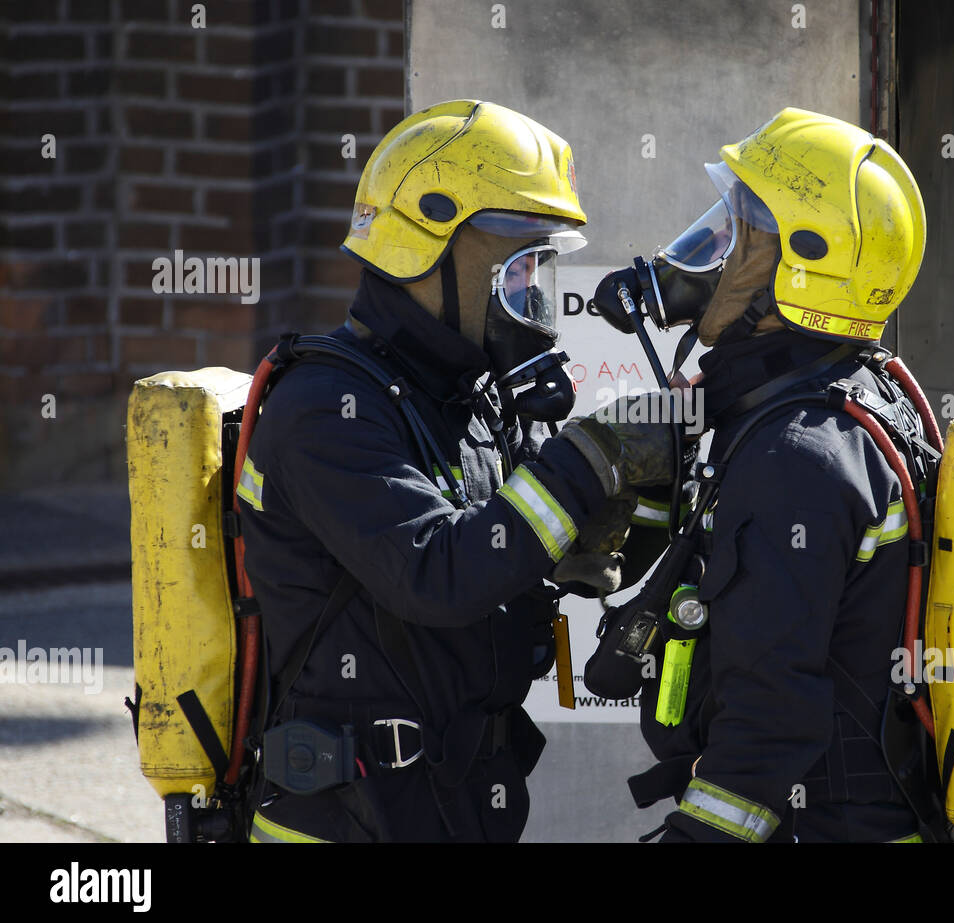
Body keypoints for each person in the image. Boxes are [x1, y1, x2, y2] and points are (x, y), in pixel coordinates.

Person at [235, 100, 675, 842]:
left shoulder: (466, 396)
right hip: (349, 814)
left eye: (541, 267)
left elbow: (534, 556)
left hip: (463, 796)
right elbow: (439, 574)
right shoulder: (326, 409)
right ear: (425, 247)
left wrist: (640, 497)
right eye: (518, 267)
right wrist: (588, 458)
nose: (533, 297)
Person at [624, 107, 935, 842]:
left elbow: (769, 715)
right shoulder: (865, 396)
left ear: (801, 266)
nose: (710, 253)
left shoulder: (796, 456)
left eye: (736, 234)